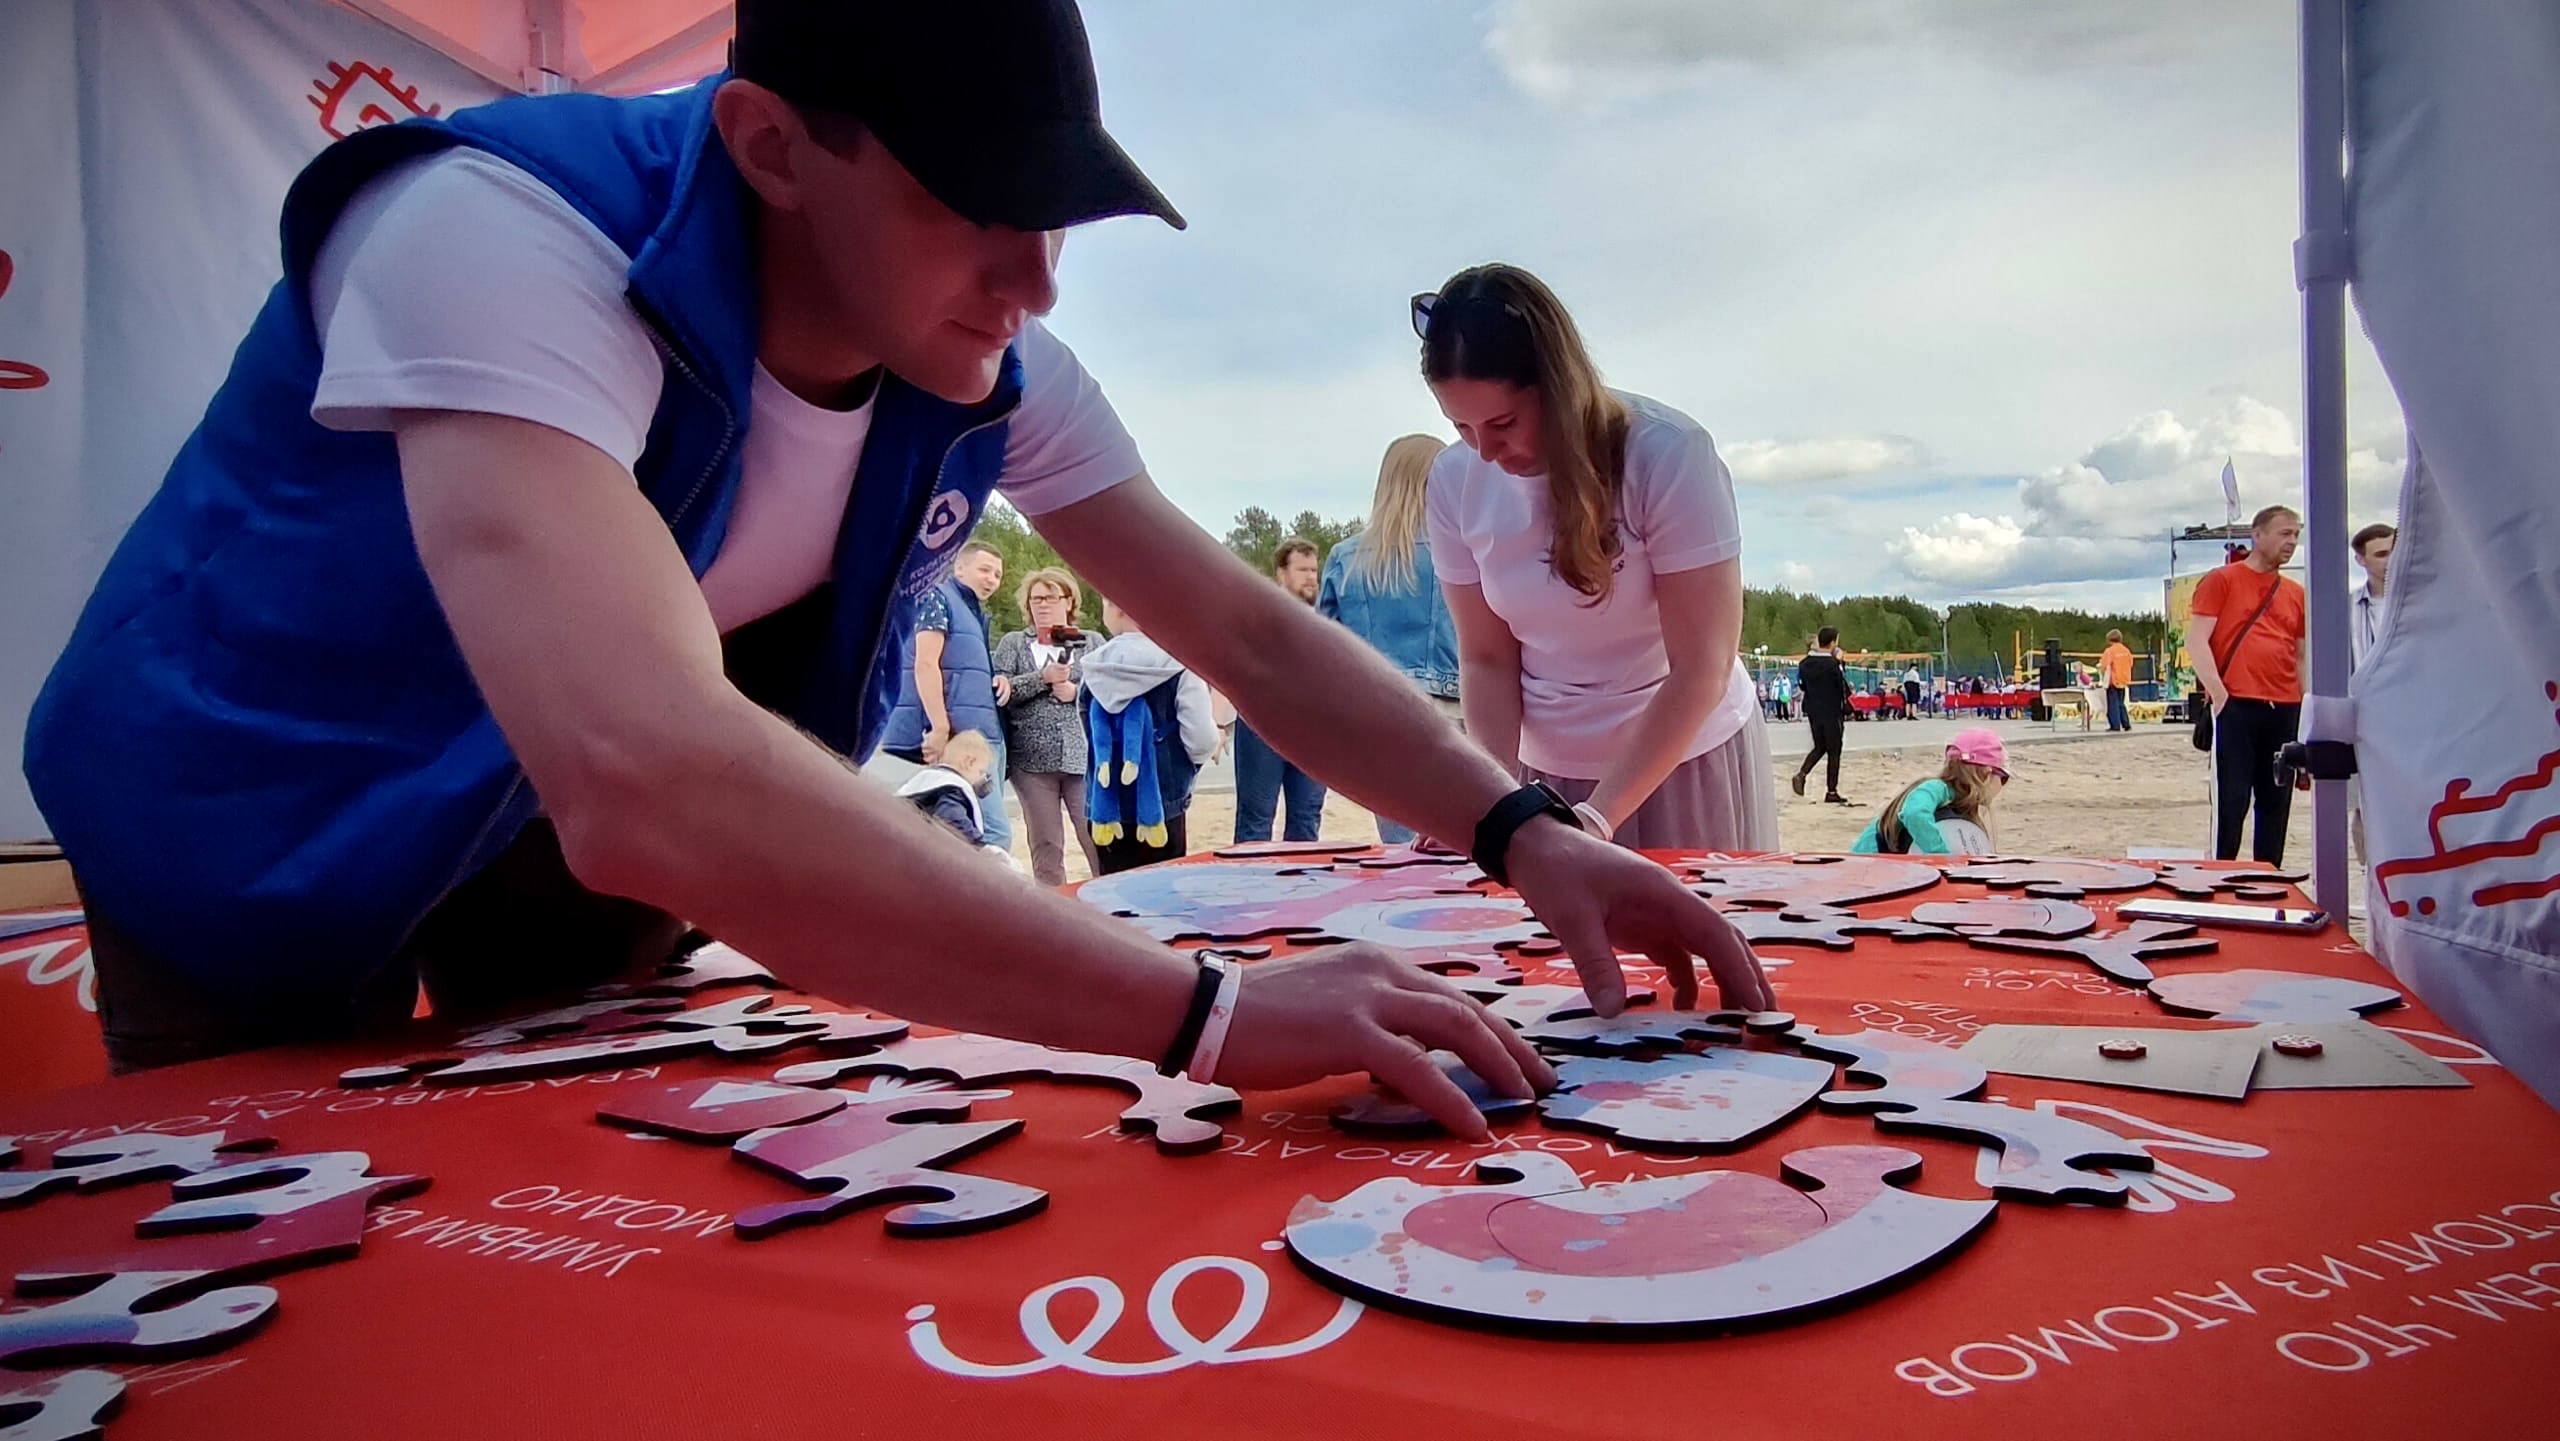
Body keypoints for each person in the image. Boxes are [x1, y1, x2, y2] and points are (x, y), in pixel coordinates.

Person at [24, 1, 1771, 1131]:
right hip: (249, 790)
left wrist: (1523, 829)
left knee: (566, 1174)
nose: (1036, 279)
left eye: (1057, 216)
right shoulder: (501, 233)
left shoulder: (985, 352)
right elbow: (639, 771)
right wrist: (1212, 1014)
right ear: (771, 143)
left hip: (542, 838)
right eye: (975, 204)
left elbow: (1237, 625)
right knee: (265, 1235)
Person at [1417, 264, 1777, 850]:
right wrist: (1489, 798)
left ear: (1558, 389)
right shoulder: (1453, 481)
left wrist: (1600, 817)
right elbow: (1486, 658)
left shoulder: (1667, 455)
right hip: (1545, 771)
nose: (1484, 451)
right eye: (1460, 426)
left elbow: (1702, 666)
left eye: (1503, 423)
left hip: (1683, 758)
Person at [1318, 436, 1461, 846]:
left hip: (1377, 716)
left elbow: (1323, 649)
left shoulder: (1347, 557)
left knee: (1407, 850)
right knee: (1468, 850)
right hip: (1460, 710)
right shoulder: (1464, 550)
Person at [2189, 505, 2310, 863]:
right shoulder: (2223, 580)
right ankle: (2221, 873)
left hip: (2284, 703)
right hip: (2238, 701)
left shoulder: (2295, 593)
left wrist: (2304, 707)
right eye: (2285, 533)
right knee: (2232, 801)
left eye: (2296, 535)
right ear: (2258, 535)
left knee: (2275, 802)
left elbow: (2300, 654)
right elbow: (2197, 640)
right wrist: (2220, 694)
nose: (2291, 542)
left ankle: (2267, 877)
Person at [883, 540, 1014, 854]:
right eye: (984, 570)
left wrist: (994, 678)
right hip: (961, 733)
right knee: (991, 833)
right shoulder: (938, 597)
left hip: (982, 729)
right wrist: (940, 727)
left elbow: (962, 665)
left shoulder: (971, 612)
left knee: (975, 825)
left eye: (997, 575)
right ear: (959, 567)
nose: (992, 580)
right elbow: (925, 662)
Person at [1082, 598, 1221, 873]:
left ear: (1116, 608)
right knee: (1162, 890)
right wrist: (1190, 765)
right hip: (1163, 800)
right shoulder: (1179, 664)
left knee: (1112, 890)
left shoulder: (1093, 668)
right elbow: (1201, 738)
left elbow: (1089, 731)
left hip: (1105, 804)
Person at [990, 567, 1099, 885]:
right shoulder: (1014, 643)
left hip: (1084, 759)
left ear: (1069, 601)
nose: (1042, 605)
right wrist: (1042, 678)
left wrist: (1077, 692)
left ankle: (1111, 908)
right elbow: (1000, 690)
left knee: (1096, 837)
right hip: (1032, 764)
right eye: (1036, 598)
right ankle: (1057, 916)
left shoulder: (1090, 641)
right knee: (1046, 847)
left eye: (1051, 597)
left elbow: (1109, 688)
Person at [1228, 538, 1331, 844]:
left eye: (1314, 570)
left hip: (1313, 729)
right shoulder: (1259, 617)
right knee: (1256, 819)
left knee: (1307, 817)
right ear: (1282, 573)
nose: (1311, 577)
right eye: (1302, 570)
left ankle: (1301, 887)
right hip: (1262, 726)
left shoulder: (1327, 624)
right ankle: (1249, 886)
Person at [1852, 729, 2008, 856]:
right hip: (1866, 868)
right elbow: (1914, 813)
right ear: (1987, 773)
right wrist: (1941, 856)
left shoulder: (1956, 801)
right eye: (2003, 777)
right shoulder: (1936, 788)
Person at [895, 730, 1016, 867]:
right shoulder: (952, 789)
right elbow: (952, 822)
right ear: (969, 762)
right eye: (980, 771)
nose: (981, 778)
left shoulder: (922, 782)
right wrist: (979, 848)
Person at [1792, 627, 1852, 804]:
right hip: (1832, 711)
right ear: (1833, 642)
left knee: (1820, 745)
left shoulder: (1804, 664)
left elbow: (1802, 686)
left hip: (1813, 710)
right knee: (1834, 750)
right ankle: (1831, 791)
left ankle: (1802, 774)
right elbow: (1842, 688)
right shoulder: (1833, 664)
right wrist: (1841, 663)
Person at [2351, 522, 2396, 668]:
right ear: (2360, 560)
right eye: (2381, 555)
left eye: (2395, 552)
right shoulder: (2348, 608)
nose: (2391, 561)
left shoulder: (2422, 602)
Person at [2100, 629, 2136, 732]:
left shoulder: (2109, 651)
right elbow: (2131, 663)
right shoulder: (2126, 651)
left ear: (2109, 640)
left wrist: (2103, 678)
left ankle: (2115, 725)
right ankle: (2126, 724)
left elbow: (2104, 666)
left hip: (2113, 680)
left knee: (2113, 704)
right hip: (2124, 680)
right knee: (2121, 703)